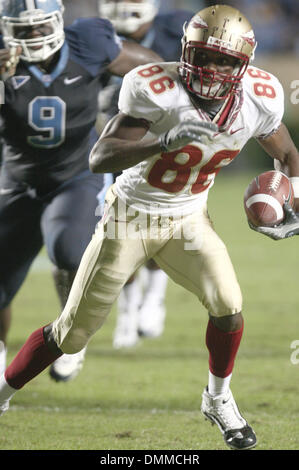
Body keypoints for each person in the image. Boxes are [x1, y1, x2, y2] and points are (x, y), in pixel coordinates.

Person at [1, 4, 299, 450]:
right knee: (72, 332)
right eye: (202, 56)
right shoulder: (157, 88)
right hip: (129, 217)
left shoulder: (261, 96)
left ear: (243, 64)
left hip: (187, 218)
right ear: (185, 51)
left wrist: (291, 205)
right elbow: (99, 157)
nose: (211, 69)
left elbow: (289, 155)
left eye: (223, 60)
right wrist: (162, 141)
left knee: (229, 304)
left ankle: (218, 399)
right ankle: (3, 394)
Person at [0, 0, 161, 381]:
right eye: (25, 29)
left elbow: (155, 74)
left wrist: (141, 112)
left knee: (68, 249)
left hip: (75, 174)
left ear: (57, 22)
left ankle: (69, 332)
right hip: (16, 180)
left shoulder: (88, 43)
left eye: (41, 27)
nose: (35, 36)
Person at [97, 0, 194, 349]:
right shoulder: (98, 37)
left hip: (166, 143)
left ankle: (154, 294)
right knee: (117, 230)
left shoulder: (178, 31)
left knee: (158, 223)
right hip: (115, 142)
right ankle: (127, 308)